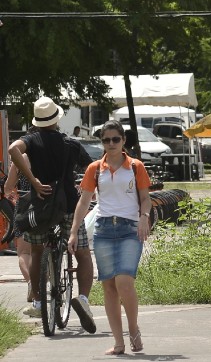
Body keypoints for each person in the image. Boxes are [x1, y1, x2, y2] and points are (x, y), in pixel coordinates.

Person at [8, 97, 96, 332]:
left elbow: (12, 149)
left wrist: (35, 180)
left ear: (36, 121)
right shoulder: (70, 143)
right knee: (83, 254)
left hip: (41, 207)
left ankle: (38, 301)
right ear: (57, 119)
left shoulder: (31, 141)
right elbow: (91, 169)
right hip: (68, 206)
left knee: (37, 253)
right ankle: (84, 300)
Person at [70, 119, 152, 355]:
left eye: (116, 139)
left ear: (124, 140)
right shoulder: (95, 168)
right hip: (104, 230)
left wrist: (144, 216)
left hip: (130, 229)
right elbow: (84, 201)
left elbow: (145, 197)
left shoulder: (135, 166)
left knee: (124, 281)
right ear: (102, 143)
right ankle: (119, 342)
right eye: (106, 140)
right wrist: (74, 231)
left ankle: (133, 329)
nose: (111, 143)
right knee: (108, 287)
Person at [3, 158, 34, 305]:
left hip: (25, 205)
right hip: (49, 207)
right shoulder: (53, 151)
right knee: (43, 249)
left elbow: (8, 188)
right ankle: (43, 280)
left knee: (24, 252)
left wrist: (14, 197)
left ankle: (31, 283)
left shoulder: (20, 159)